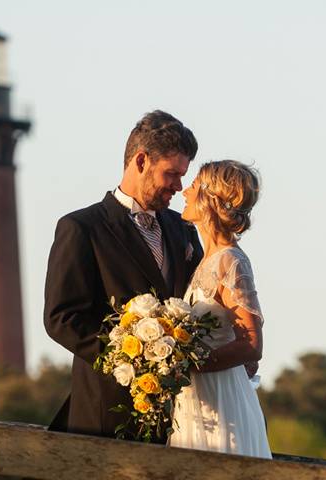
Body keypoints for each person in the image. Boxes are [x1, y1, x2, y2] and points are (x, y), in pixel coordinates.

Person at [44, 110, 203, 442]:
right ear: (142, 161)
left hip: (181, 417)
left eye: (182, 175)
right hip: (106, 412)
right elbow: (62, 317)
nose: (179, 186)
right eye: (172, 174)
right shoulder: (82, 228)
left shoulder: (184, 230)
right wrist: (129, 357)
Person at [168, 160, 271, 458]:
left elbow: (251, 344)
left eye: (195, 186)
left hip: (222, 400)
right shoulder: (205, 260)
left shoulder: (231, 261)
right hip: (196, 402)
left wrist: (188, 365)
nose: (185, 192)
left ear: (210, 200)